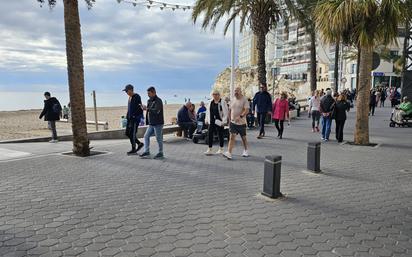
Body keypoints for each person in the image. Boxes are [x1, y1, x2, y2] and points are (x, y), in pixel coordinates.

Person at [223, 87, 250, 160]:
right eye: (235, 91)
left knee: (243, 138)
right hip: (233, 122)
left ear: (240, 92)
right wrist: (228, 120)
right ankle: (229, 153)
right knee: (232, 137)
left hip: (241, 123)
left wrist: (240, 116)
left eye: (237, 91)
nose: (235, 92)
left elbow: (247, 110)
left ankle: (246, 150)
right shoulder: (233, 99)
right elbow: (230, 110)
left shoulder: (244, 99)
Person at [140, 87, 164, 159]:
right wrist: (144, 107)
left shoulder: (158, 101)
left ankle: (161, 152)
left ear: (154, 92)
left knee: (158, 138)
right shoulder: (149, 101)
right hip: (151, 123)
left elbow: (156, 111)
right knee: (146, 136)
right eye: (147, 93)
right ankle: (147, 151)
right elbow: (149, 110)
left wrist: (147, 109)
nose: (148, 95)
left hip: (158, 123)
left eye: (149, 93)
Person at [204, 90, 229, 155]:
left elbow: (225, 113)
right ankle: (209, 149)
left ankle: (221, 149)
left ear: (219, 95)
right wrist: (206, 119)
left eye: (217, 94)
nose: (215, 95)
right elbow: (207, 112)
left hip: (219, 121)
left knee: (220, 134)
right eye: (214, 94)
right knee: (210, 134)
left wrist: (224, 122)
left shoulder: (222, 102)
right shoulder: (210, 102)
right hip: (211, 121)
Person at [123, 84, 144, 155]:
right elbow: (129, 109)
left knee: (132, 134)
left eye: (127, 91)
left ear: (131, 90)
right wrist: (127, 116)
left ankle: (134, 149)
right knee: (127, 133)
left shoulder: (137, 96)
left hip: (135, 120)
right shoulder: (130, 98)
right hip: (129, 119)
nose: (126, 93)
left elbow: (140, 108)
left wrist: (135, 117)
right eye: (125, 91)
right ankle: (139, 143)